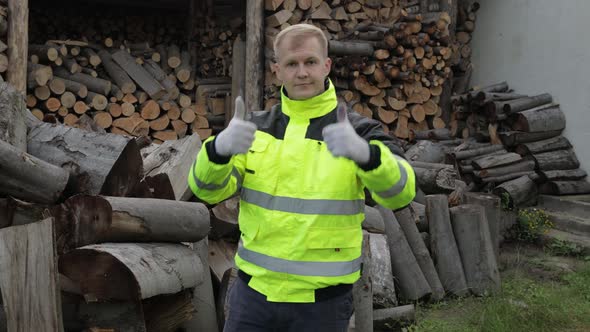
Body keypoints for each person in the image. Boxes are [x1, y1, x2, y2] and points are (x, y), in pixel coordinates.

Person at [188, 23, 416, 332]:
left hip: (322, 304)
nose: (302, 72)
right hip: (253, 296)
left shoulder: (358, 132)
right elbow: (206, 190)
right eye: (292, 64)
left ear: (326, 66)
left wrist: (367, 156)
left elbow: (401, 192)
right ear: (277, 71)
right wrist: (217, 151)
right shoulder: (255, 128)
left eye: (310, 62)